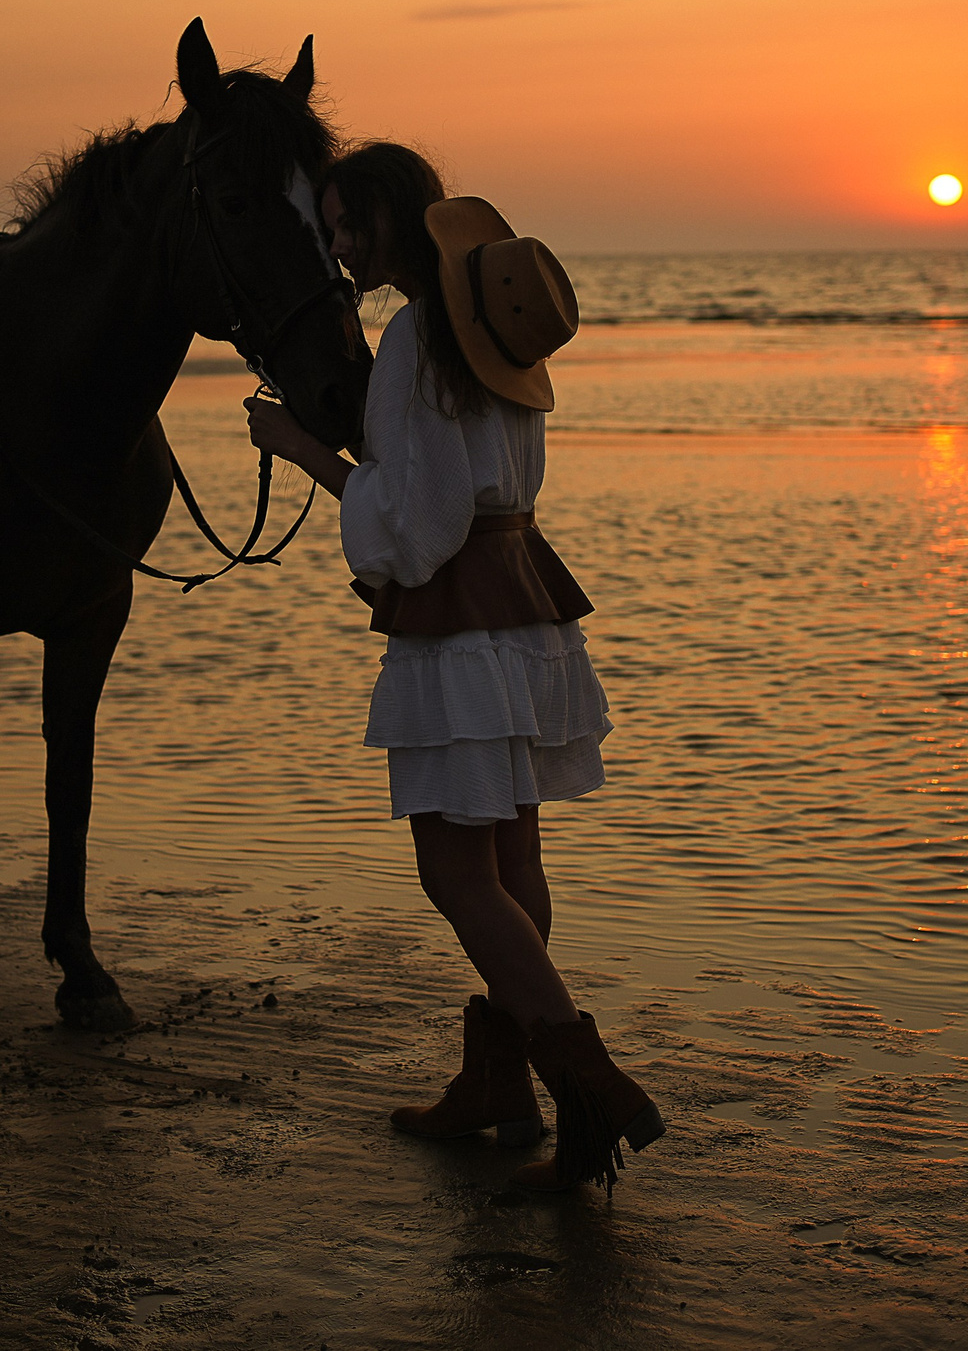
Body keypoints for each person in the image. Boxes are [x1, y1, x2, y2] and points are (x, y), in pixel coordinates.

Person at [244, 141, 664, 1194]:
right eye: (327, 226)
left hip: (461, 624)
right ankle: (499, 1085)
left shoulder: (416, 335)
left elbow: (413, 525)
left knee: (455, 876)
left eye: (349, 224)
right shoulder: (488, 331)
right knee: (513, 867)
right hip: (522, 608)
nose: (337, 244)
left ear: (395, 222)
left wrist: (303, 449)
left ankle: (590, 1090)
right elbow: (475, 487)